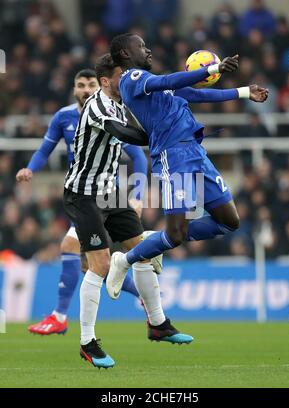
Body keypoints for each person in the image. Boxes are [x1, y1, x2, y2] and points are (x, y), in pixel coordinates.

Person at [107, 33, 268, 299]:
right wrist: (213, 67)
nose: (148, 51)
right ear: (125, 54)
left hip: (196, 153)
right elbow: (170, 79)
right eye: (142, 46)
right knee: (176, 235)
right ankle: (123, 261)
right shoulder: (132, 80)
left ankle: (153, 239)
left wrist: (243, 92)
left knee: (229, 222)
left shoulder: (155, 85)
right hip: (173, 156)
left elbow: (194, 92)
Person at [63, 54, 193, 369]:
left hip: (111, 192)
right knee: (100, 264)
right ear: (106, 81)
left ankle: (158, 323)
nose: (127, 79)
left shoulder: (122, 102)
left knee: (143, 251)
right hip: (84, 195)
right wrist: (160, 136)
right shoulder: (98, 106)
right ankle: (87, 342)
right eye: (122, 75)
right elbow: (124, 134)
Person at [15, 69, 148, 336]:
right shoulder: (63, 117)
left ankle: (61, 317)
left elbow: (139, 157)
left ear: (98, 86)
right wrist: (30, 168)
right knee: (93, 263)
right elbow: (45, 149)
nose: (85, 89)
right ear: (74, 89)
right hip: (83, 193)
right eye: (80, 85)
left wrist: (138, 195)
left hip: (106, 195)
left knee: (75, 248)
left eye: (90, 84)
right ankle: (144, 299)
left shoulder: (109, 112)